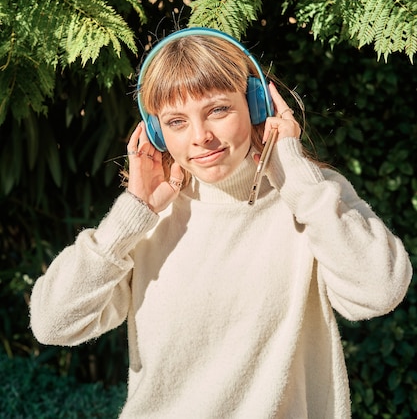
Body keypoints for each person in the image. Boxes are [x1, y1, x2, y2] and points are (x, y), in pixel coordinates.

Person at [30, 27, 412, 419]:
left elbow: (379, 290)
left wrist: (296, 177)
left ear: (257, 104)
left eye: (218, 110)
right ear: (157, 132)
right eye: (177, 121)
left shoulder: (311, 199)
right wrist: (131, 213)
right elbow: (53, 323)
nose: (201, 137)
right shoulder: (148, 221)